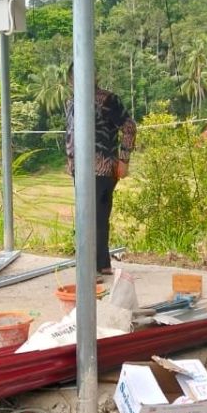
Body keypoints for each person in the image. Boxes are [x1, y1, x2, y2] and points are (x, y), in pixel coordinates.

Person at [64, 66, 136, 276]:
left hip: (102, 167)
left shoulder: (108, 100)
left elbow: (129, 127)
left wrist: (124, 159)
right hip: (80, 167)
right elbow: (69, 134)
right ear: (70, 80)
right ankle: (100, 264)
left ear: (95, 76)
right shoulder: (71, 102)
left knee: (96, 216)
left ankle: (92, 268)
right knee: (88, 216)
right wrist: (70, 161)